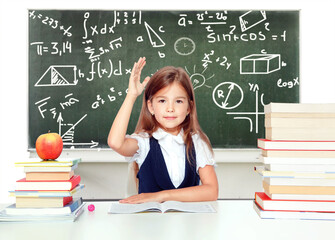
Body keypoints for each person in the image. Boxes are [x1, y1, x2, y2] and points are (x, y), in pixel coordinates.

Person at [108, 57, 218, 204]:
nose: (170, 108)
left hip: (190, 224)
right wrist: (131, 95)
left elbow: (211, 191)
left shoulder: (196, 142)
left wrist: (161, 196)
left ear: (188, 108)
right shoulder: (144, 141)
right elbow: (115, 143)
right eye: (162, 101)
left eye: (178, 101)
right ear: (151, 107)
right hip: (150, 222)